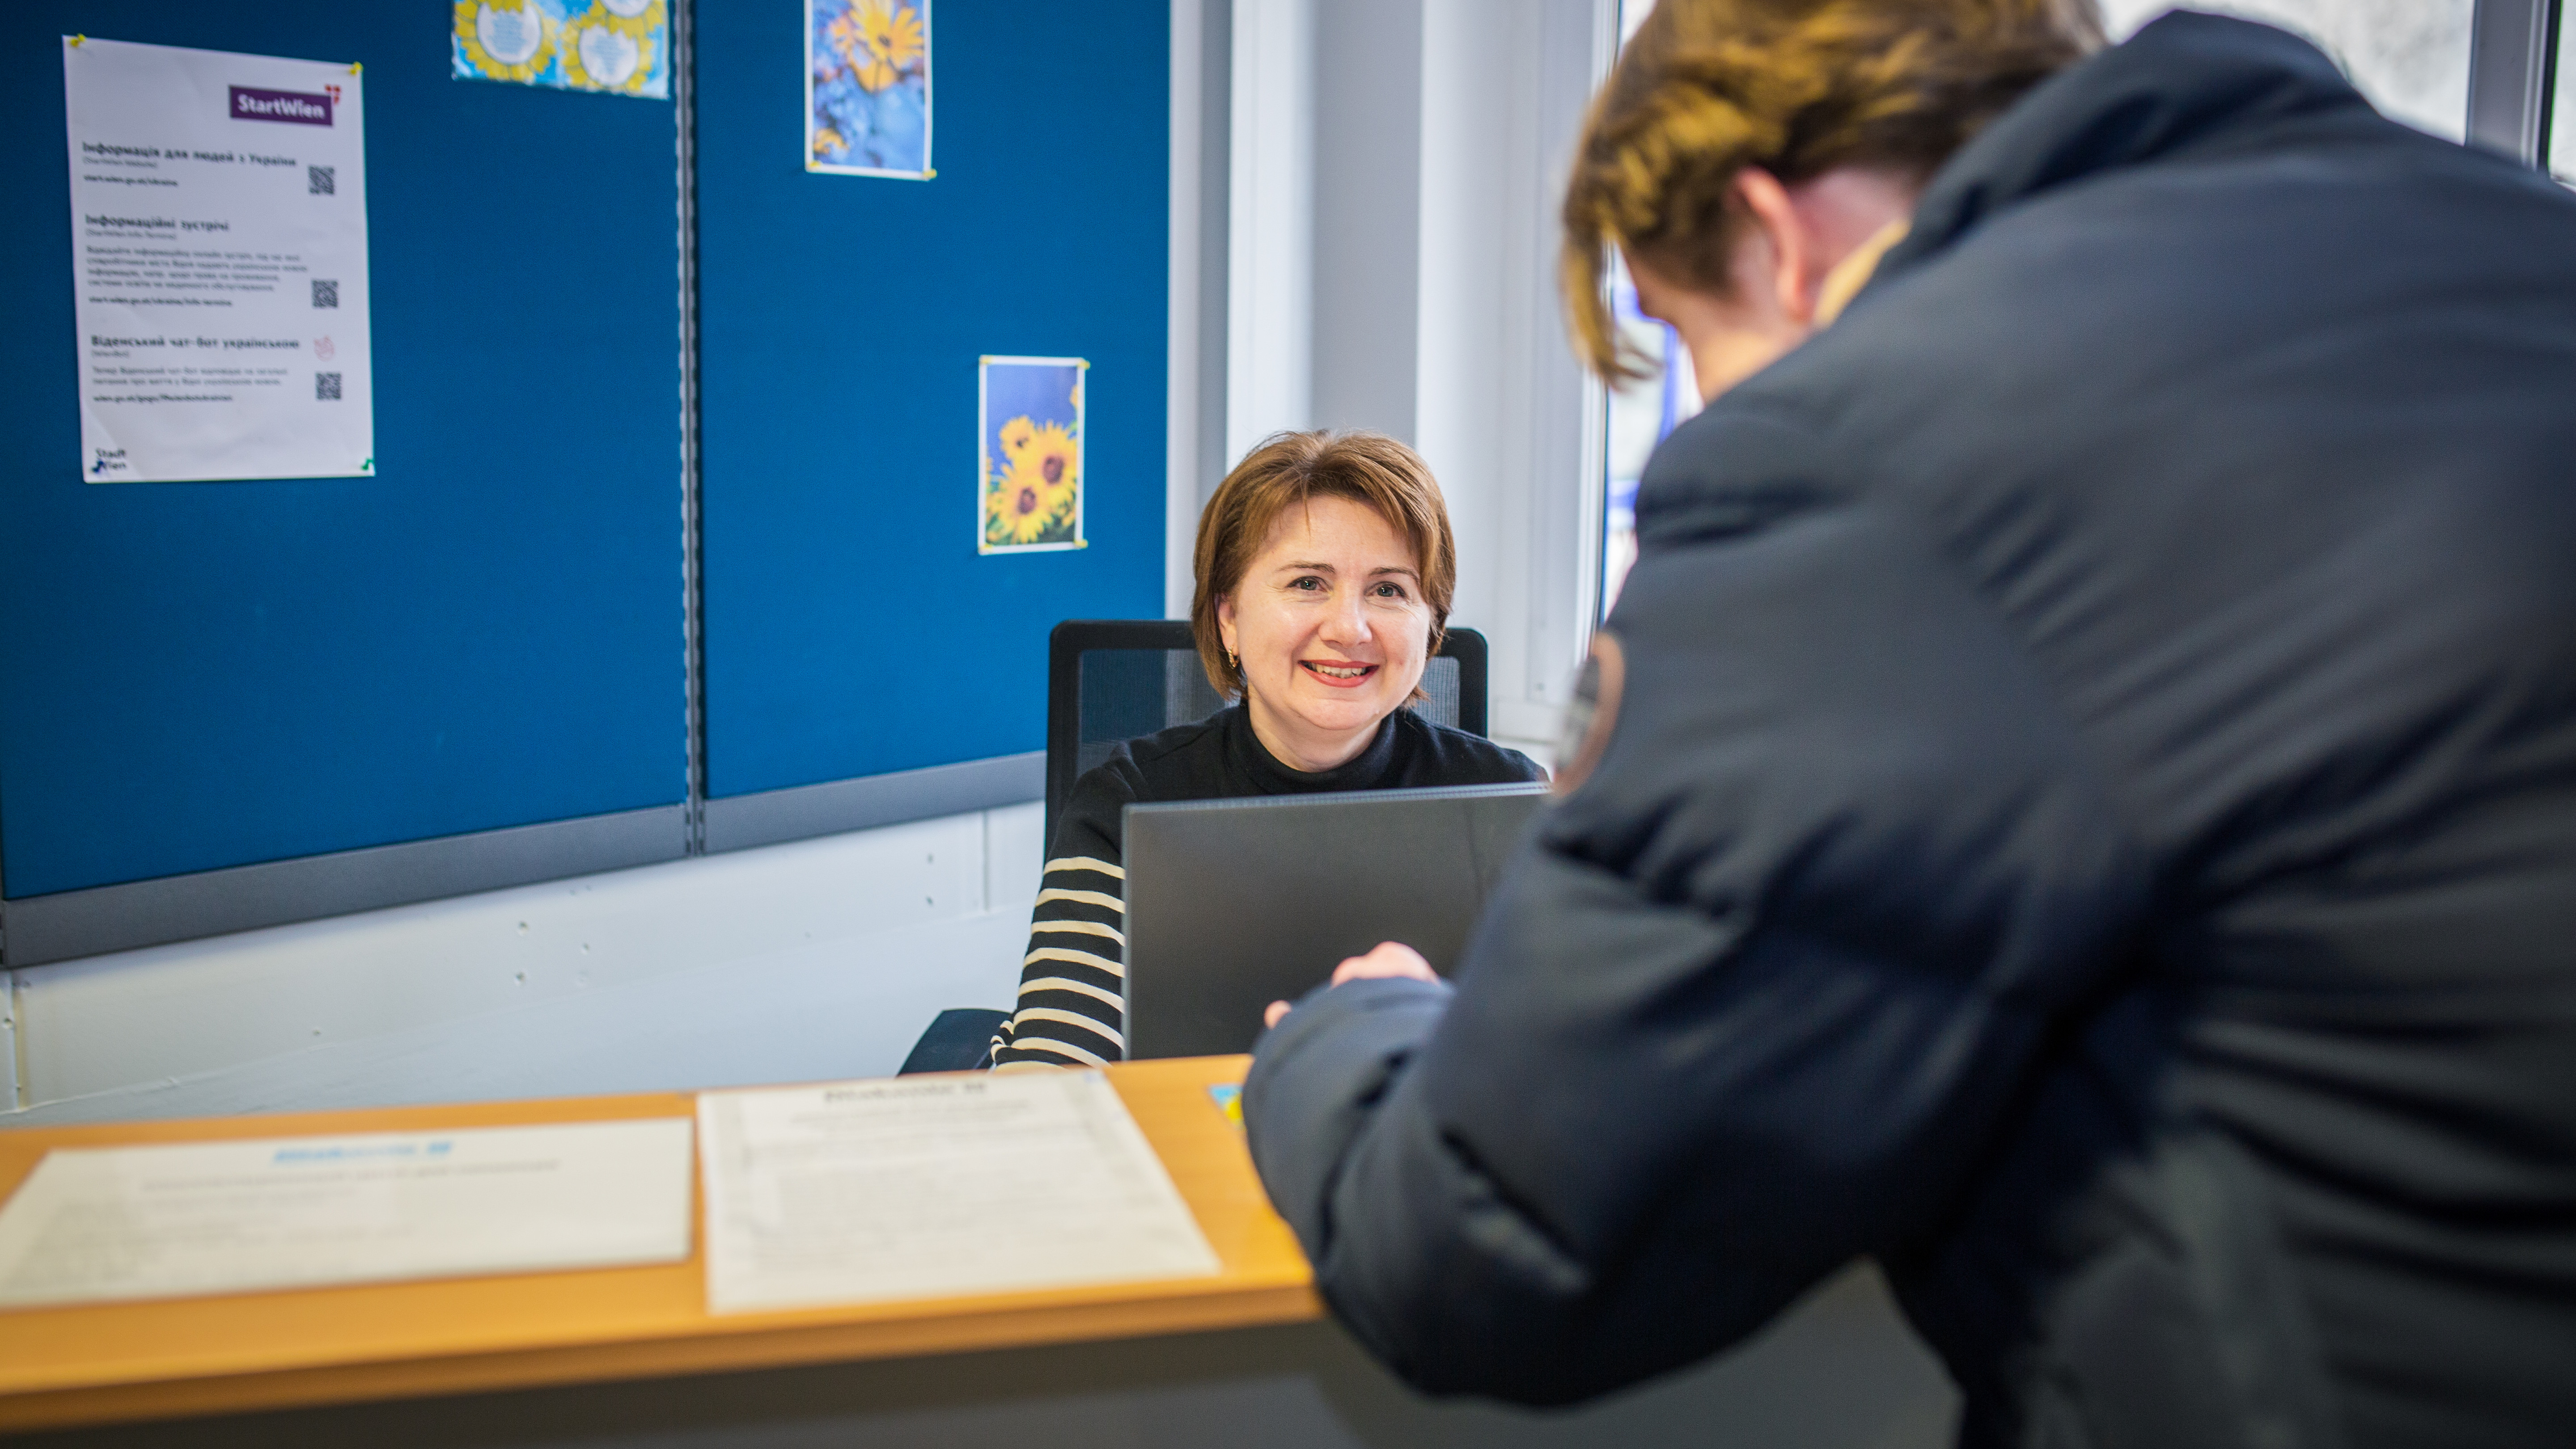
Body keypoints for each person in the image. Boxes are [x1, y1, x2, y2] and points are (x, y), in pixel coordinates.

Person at [1241, 3, 2576, 1446]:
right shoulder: (2515, 245)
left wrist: (1347, 1028)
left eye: (1688, 334)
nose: (1704, 403)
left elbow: (1500, 1237)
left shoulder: (1881, 447)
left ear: (1778, 233)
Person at [987, 430, 1542, 1069]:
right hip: (1186, 1159)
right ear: (1228, 619)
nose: (1349, 629)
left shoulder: (1512, 803)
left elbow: (1570, 1059)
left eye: (1390, 590)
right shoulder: (1129, 803)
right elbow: (1058, 1076)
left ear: (1431, 625)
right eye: (1308, 583)